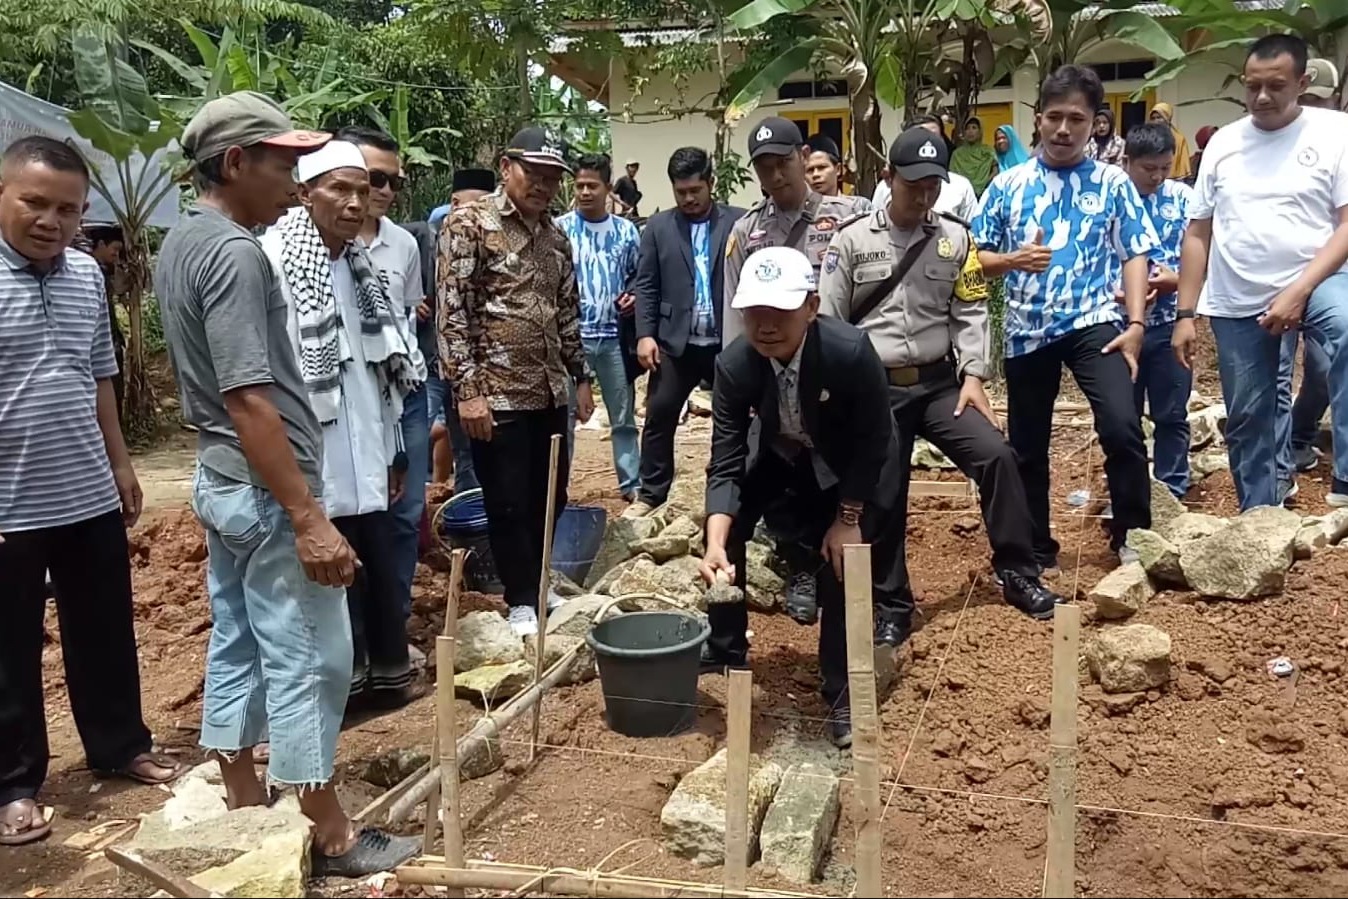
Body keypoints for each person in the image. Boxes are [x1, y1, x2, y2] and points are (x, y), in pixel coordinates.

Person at [155, 92, 417, 874]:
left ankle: (242, 796)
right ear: (235, 163)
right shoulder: (237, 255)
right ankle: (329, 827)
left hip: (223, 479)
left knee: (239, 635)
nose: (293, 181)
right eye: (283, 164)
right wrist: (307, 514)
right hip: (268, 491)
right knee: (314, 651)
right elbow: (247, 397)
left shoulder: (184, 243)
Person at [0, 136, 179, 847]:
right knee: (9, 645)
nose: (51, 219)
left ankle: (118, 743)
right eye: (35, 203)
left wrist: (122, 463)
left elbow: (98, 373)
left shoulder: (83, 275)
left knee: (105, 627)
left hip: (85, 488)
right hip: (9, 501)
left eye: (68, 209)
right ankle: (14, 783)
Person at [819, 126, 1062, 647]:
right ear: (888, 179)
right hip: (874, 390)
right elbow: (830, 322)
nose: (924, 195)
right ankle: (892, 603)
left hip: (938, 384)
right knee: (883, 493)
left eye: (933, 185)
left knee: (995, 454)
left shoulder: (955, 239)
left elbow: (970, 309)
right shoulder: (851, 241)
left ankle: (1018, 570)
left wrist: (974, 375)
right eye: (913, 185)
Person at [699, 245, 904, 747]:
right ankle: (727, 646)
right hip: (780, 450)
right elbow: (725, 459)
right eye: (755, 313)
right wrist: (715, 540)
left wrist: (848, 515)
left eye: (781, 312)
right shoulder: (735, 366)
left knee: (840, 559)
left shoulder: (849, 351)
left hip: (849, 458)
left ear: (811, 307)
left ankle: (840, 693)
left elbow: (873, 439)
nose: (766, 325)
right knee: (730, 527)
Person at [260, 139, 425, 708]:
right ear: (304, 194)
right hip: (313, 445)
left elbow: (387, 371)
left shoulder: (363, 266)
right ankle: (338, 687)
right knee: (328, 572)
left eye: (363, 190)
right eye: (340, 189)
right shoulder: (278, 260)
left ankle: (385, 677)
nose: (356, 203)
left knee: (375, 561)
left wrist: (395, 450)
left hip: (370, 443)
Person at [972, 65, 1158, 569]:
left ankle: (1134, 536)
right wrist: (1012, 261)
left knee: (1121, 426)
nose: (1063, 129)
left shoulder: (1113, 182)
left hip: (1094, 323)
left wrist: (1136, 325)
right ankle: (1036, 548)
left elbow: (1135, 251)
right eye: (1054, 117)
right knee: (1028, 447)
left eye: (1076, 118)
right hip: (1026, 333)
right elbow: (972, 258)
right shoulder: (1007, 185)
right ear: (1037, 119)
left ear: (1094, 121)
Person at [1173, 34, 1348, 511]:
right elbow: (1198, 234)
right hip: (1239, 296)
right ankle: (1260, 512)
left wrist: (1300, 289)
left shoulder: (1335, 133)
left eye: (1276, 85)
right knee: (1250, 413)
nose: (1263, 97)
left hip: (1320, 281)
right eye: (1253, 86)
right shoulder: (1225, 143)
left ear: (1303, 82)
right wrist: (1186, 314)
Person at [438, 126, 595, 637]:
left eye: (553, 178)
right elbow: (452, 313)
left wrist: (582, 376)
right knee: (506, 498)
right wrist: (468, 391)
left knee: (551, 493)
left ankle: (538, 580)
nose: (544, 186)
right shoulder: (470, 225)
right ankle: (520, 599)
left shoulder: (556, 236)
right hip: (496, 391)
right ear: (507, 168)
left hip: (549, 390)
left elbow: (566, 311)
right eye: (535, 173)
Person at [722, 116, 870, 618]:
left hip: (840, 369)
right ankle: (801, 568)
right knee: (785, 479)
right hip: (774, 372)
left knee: (849, 480)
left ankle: (874, 598)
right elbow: (734, 311)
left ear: (802, 157)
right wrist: (741, 377)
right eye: (764, 167)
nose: (776, 176)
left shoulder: (852, 214)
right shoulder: (747, 231)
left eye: (783, 162)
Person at [335, 125, 429, 646]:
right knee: (354, 516)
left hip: (404, 396)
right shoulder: (311, 248)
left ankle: (393, 625)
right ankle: (353, 638)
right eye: (374, 178)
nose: (383, 191)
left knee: (404, 513)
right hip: (348, 400)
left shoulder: (404, 245)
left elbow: (407, 320)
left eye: (393, 181)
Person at [626, 148, 744, 517]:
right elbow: (646, 284)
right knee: (659, 414)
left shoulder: (738, 223)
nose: (689, 199)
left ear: (710, 183)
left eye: (696, 190)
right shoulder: (658, 228)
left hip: (727, 342)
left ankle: (735, 493)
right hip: (676, 342)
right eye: (682, 192)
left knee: (737, 419)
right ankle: (650, 493)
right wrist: (645, 334)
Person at [555, 153, 642, 499]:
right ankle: (559, 488)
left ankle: (631, 483)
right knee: (565, 421)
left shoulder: (626, 232)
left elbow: (639, 276)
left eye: (593, 186)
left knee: (622, 415)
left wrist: (633, 295)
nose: (585, 192)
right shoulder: (559, 229)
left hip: (613, 340)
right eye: (579, 186)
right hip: (570, 339)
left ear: (608, 188)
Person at [1276, 57, 1342, 480]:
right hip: (1278, 275)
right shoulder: (1274, 142)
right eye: (1307, 99)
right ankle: (1283, 455)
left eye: (1319, 99)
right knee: (1278, 375)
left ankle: (1302, 436)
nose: (1311, 108)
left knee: (1324, 367)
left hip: (1334, 276)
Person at [1121, 122, 1195, 499]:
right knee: (1122, 417)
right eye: (1149, 168)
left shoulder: (1183, 199)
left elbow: (1201, 256)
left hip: (1169, 322)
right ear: (1127, 161)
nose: (1157, 176)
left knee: (1171, 413)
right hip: (1119, 325)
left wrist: (1176, 281)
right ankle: (1128, 489)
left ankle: (1173, 488)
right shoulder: (1111, 198)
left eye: (1165, 167)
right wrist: (1121, 292)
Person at [422, 169, 495, 488]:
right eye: (476, 204)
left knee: (468, 447)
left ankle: (469, 513)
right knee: (415, 435)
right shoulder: (420, 239)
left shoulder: (490, 244)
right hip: (426, 363)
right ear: (455, 202)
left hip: (467, 369)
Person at [873, 115, 979, 220]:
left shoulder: (960, 186)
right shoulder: (886, 187)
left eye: (934, 137)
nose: (924, 199)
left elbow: (973, 229)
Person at [949, 117, 999, 196]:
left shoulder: (988, 152)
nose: (970, 131)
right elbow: (952, 176)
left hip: (984, 194)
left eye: (974, 128)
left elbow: (995, 171)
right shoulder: (957, 154)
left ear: (980, 131)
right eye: (967, 128)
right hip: (961, 194)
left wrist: (984, 185)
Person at [1148, 103, 1193, 181]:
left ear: (1167, 118)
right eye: (1153, 118)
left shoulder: (1179, 139)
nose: (1155, 121)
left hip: (1173, 182)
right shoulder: (1147, 138)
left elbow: (1182, 166)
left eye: (1159, 117)